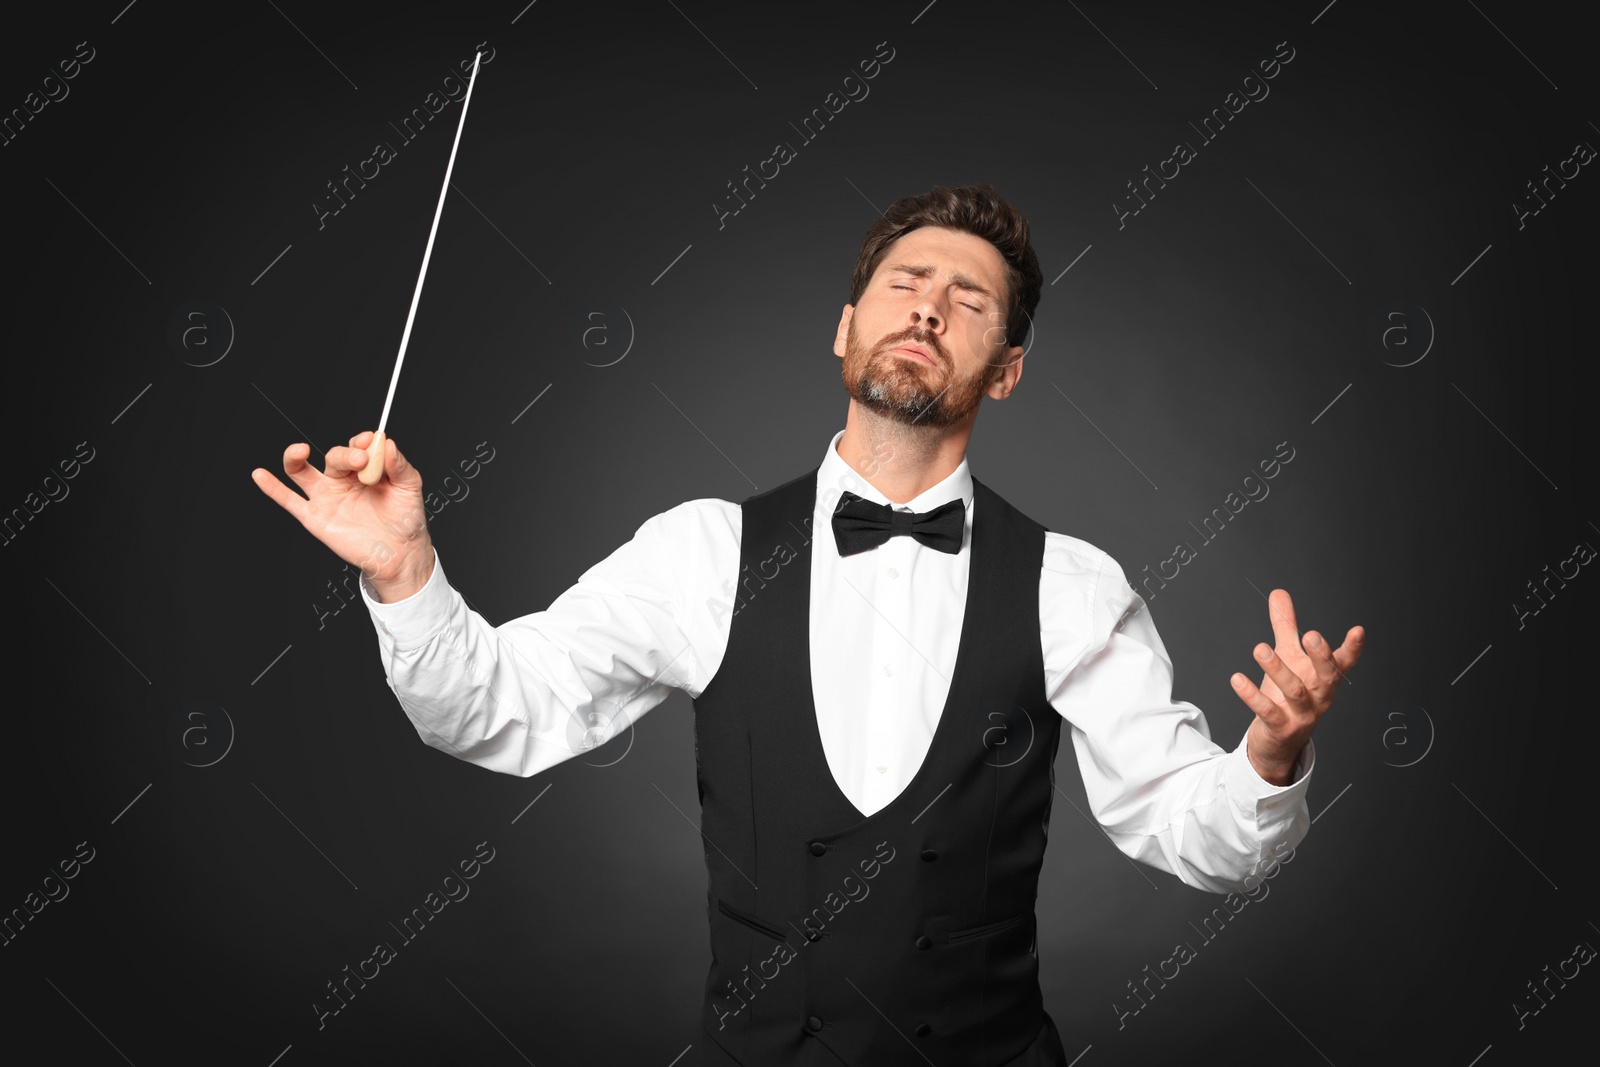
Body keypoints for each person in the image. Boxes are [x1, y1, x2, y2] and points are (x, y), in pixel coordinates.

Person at [252, 183, 1364, 1066]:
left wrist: (1271, 754)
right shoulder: (700, 550)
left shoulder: (1069, 584)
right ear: (846, 327)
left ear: (1008, 370)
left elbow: (1193, 830)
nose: (928, 306)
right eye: (904, 282)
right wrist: (405, 568)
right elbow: (497, 709)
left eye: (969, 301)